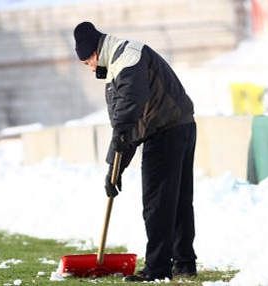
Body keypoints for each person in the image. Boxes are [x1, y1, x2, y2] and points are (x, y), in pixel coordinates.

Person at [73, 22, 197, 282]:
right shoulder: (122, 56)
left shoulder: (125, 59)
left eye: (88, 63)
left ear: (94, 53)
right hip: (180, 124)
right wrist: (114, 170)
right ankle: (184, 264)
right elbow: (127, 127)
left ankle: (158, 269)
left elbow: (129, 110)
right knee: (178, 200)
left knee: (158, 204)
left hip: (165, 130)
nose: (92, 68)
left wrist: (119, 138)